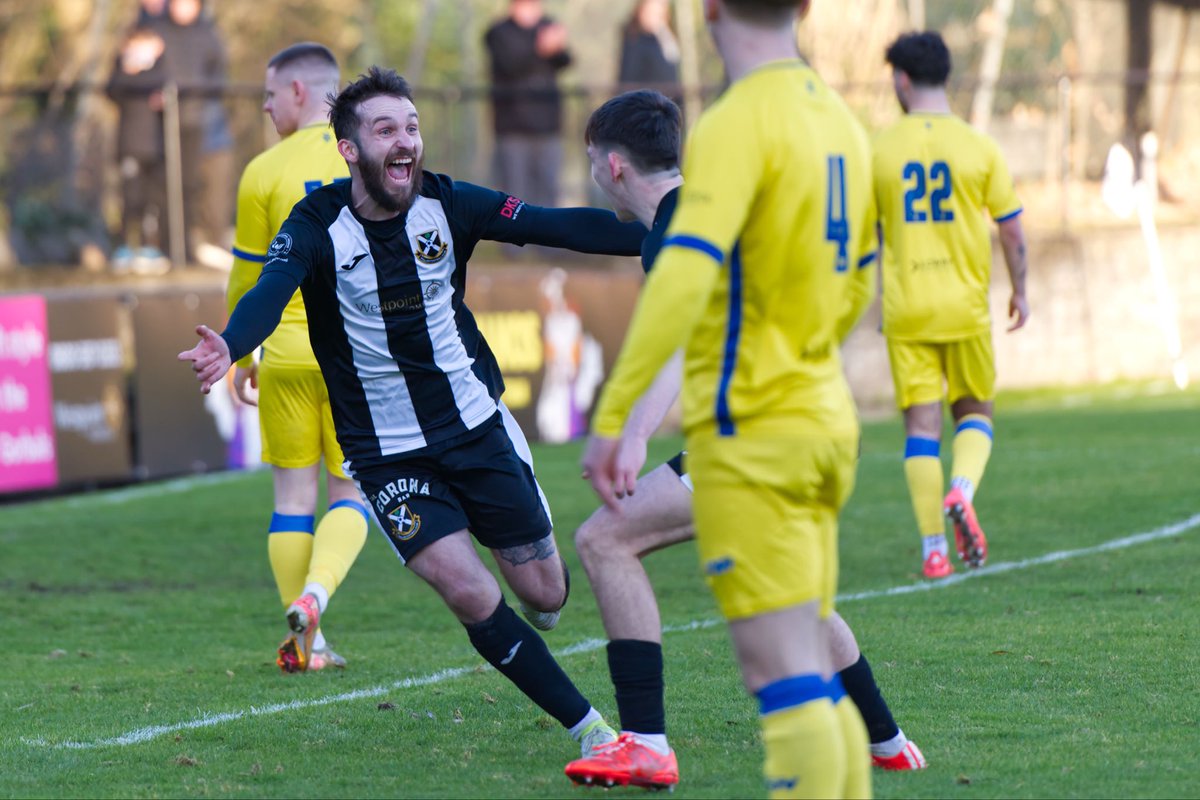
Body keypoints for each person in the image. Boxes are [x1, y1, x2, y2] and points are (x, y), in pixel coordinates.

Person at [180, 66, 646, 759]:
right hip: (385, 452)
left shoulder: (448, 203)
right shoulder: (316, 224)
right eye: (385, 129)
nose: (405, 142)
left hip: (474, 426)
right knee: (465, 589)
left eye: (412, 127)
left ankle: (534, 561)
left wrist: (667, 231)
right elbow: (270, 291)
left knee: (545, 598)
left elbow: (556, 224)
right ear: (348, 149)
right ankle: (594, 732)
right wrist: (232, 343)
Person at [564, 90, 926, 790]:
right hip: (812, 419)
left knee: (605, 539)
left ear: (611, 166)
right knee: (796, 597)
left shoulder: (679, 231)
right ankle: (888, 741)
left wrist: (631, 435)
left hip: (760, 433)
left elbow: (675, 343)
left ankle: (644, 741)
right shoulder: (712, 209)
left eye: (588, 161)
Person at [224, 43, 366, 673]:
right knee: (352, 492)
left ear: (301, 94)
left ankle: (308, 640)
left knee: (289, 499)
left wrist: (238, 353)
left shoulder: (262, 170)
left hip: (281, 356)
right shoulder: (369, 156)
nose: (265, 104)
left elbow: (247, 279)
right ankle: (317, 594)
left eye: (271, 93)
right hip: (355, 357)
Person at [872, 31, 1030, 580]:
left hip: (907, 309)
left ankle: (933, 551)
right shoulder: (978, 146)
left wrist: (869, 301)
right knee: (975, 412)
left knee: (921, 427)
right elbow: (1011, 231)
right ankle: (961, 492)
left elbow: (866, 236)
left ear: (901, 79)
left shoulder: (880, 148)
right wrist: (1020, 291)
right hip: (963, 308)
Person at [484, 0, 571, 218]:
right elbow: (510, 65)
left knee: (548, 185)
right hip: (513, 123)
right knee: (514, 189)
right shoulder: (498, 33)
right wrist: (540, 47)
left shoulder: (548, 25)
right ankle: (513, 242)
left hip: (547, 122)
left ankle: (549, 241)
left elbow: (565, 61)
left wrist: (558, 45)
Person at [617, 0, 682, 103]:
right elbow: (629, 77)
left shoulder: (665, 37)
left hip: (668, 102)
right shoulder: (634, 39)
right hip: (646, 105)